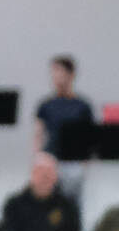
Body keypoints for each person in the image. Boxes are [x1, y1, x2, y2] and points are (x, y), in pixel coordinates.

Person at [34, 55, 94, 198]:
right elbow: (38, 133)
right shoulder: (46, 105)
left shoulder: (82, 106)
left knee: (71, 203)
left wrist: (84, 165)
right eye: (53, 72)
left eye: (59, 72)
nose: (55, 77)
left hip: (73, 163)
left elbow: (89, 137)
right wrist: (37, 159)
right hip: (50, 160)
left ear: (70, 75)